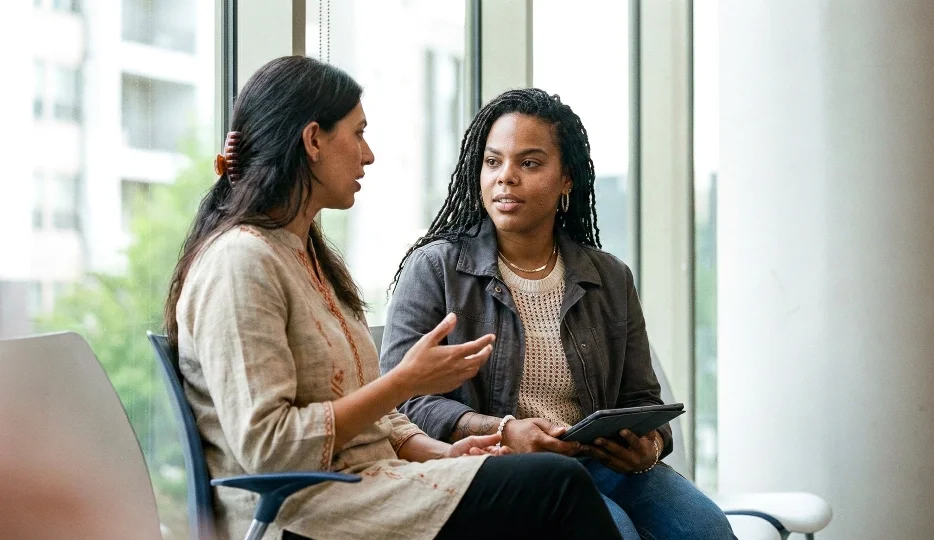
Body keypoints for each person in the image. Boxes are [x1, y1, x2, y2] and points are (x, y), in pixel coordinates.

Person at [163, 58, 621, 540]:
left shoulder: (306, 257)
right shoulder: (241, 263)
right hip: (305, 511)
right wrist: (404, 381)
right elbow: (272, 447)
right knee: (555, 486)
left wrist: (440, 452)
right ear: (314, 140)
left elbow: (373, 418)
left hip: (371, 486)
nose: (368, 155)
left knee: (545, 489)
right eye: (358, 133)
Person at [380, 88, 735, 540]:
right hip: (497, 468)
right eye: (493, 162)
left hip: (600, 463)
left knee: (707, 527)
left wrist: (650, 445)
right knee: (616, 530)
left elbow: (644, 399)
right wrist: (503, 431)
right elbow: (402, 400)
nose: (506, 178)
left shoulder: (609, 277)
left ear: (566, 179)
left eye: (529, 163)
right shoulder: (436, 269)